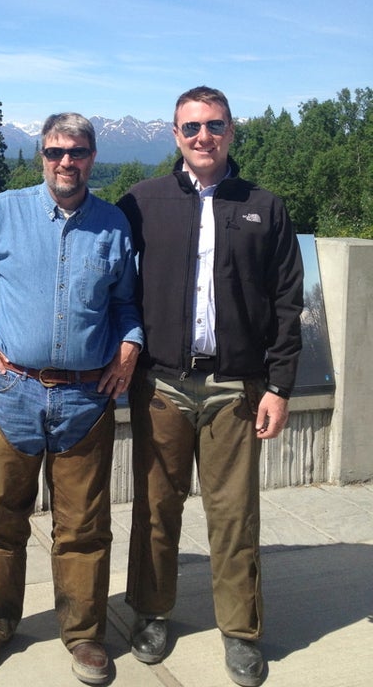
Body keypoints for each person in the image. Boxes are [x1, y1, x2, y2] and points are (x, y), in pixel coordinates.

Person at [0, 112, 143, 685]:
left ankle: (83, 634)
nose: (65, 162)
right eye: (54, 152)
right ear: (41, 157)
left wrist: (129, 345)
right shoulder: (2, 211)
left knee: (84, 526)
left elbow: (127, 302)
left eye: (76, 152)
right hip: (13, 392)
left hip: (85, 400)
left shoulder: (114, 225)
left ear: (93, 157)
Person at [116, 86, 303, 687]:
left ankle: (241, 633)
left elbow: (286, 303)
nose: (203, 136)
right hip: (162, 384)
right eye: (191, 127)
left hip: (236, 387)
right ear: (174, 135)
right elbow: (115, 285)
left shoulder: (265, 207)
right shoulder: (140, 203)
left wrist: (279, 386)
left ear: (231, 131)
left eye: (214, 125)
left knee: (234, 515)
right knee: (155, 508)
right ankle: (151, 612)